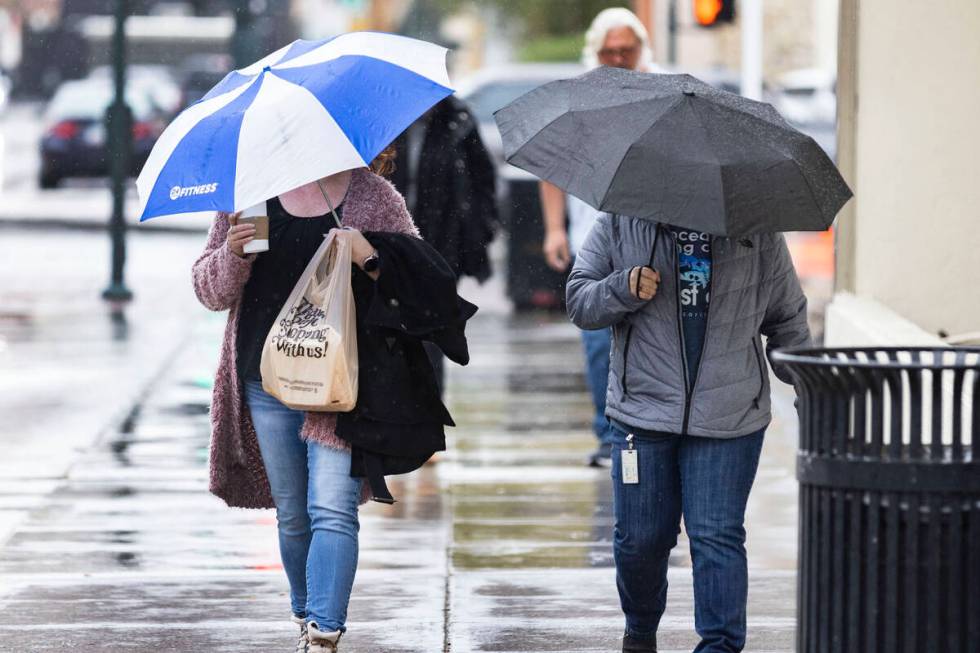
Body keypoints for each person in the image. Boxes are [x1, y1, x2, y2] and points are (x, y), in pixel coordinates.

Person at [192, 150, 473, 653]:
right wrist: (231, 255)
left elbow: (420, 280)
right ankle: (306, 612)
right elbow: (210, 292)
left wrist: (369, 255)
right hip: (266, 382)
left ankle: (324, 630)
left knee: (333, 508)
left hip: (342, 386)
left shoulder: (372, 196)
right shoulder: (250, 193)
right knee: (293, 512)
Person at [566, 219, 810, 652]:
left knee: (716, 535)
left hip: (729, 413)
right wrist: (623, 287)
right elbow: (580, 303)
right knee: (641, 539)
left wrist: (810, 391)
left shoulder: (757, 231)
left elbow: (787, 320)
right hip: (642, 412)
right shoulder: (622, 222)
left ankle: (720, 645)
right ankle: (640, 632)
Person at [539, 7, 657, 467]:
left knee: (651, 341)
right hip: (595, 239)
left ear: (641, 52)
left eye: (625, 51)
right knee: (597, 340)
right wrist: (554, 229)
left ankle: (646, 432)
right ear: (596, 53)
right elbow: (550, 168)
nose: (617, 59)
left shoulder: (665, 94)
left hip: (651, 238)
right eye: (609, 52)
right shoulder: (577, 101)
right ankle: (609, 436)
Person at [388, 95, 497, 394]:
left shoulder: (457, 121)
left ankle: (427, 411)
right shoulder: (386, 124)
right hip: (389, 246)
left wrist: (480, 230)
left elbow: (483, 178)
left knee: (431, 333)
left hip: (442, 247)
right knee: (389, 331)